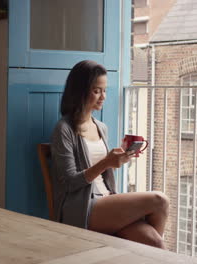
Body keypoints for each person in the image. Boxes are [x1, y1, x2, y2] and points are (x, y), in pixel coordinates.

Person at [51, 60, 169, 249]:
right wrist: (106, 163)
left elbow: (105, 172)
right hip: (81, 207)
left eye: (105, 90)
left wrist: (118, 161)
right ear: (80, 91)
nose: (103, 96)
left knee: (156, 243)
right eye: (97, 91)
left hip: (106, 200)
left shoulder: (101, 127)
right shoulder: (64, 129)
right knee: (159, 200)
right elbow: (70, 182)